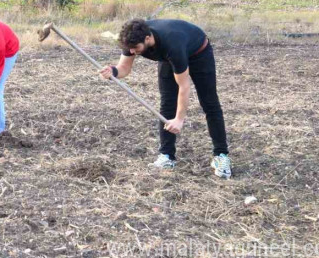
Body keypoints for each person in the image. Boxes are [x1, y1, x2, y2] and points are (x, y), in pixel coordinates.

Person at [98, 18, 231, 179]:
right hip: (168, 58)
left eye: (135, 49)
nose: (132, 52)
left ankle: (221, 156)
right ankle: (167, 156)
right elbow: (124, 68)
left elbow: (184, 86)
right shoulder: (132, 39)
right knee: (167, 104)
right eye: (129, 49)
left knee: (209, 103)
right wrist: (112, 71)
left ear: (148, 39)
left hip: (198, 53)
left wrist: (179, 120)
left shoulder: (172, 44)